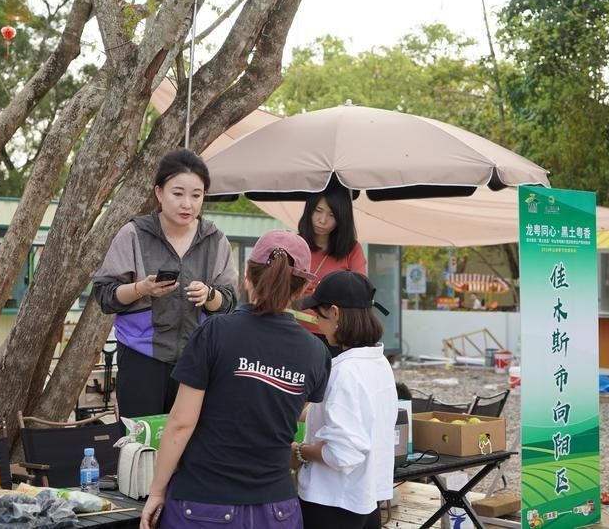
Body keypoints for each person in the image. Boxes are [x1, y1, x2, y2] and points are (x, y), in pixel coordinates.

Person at [140, 230, 332, 529]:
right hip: (277, 509)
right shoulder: (316, 352)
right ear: (302, 289)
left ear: (247, 275)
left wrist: (156, 491)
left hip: (203, 503)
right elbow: (292, 409)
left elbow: (180, 423)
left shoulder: (215, 332)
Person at [92, 148, 238, 418]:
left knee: (189, 437)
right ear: (159, 193)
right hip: (141, 357)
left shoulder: (215, 240)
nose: (187, 204)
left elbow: (228, 301)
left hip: (197, 358)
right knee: (141, 437)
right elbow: (104, 295)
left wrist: (209, 295)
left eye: (196, 195)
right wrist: (141, 289)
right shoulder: (133, 234)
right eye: (178, 193)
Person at [292, 270, 397, 529]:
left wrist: (299, 452)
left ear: (335, 313)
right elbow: (350, 416)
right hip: (366, 501)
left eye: (319, 315)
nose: (317, 325)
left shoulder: (344, 373)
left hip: (331, 503)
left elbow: (343, 453)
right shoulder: (379, 364)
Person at [296, 182, 366, 355]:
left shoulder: (352, 250)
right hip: (295, 332)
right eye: (318, 211)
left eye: (331, 215)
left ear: (342, 219)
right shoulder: (294, 244)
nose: (322, 220)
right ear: (309, 211)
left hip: (334, 337)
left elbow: (358, 294)